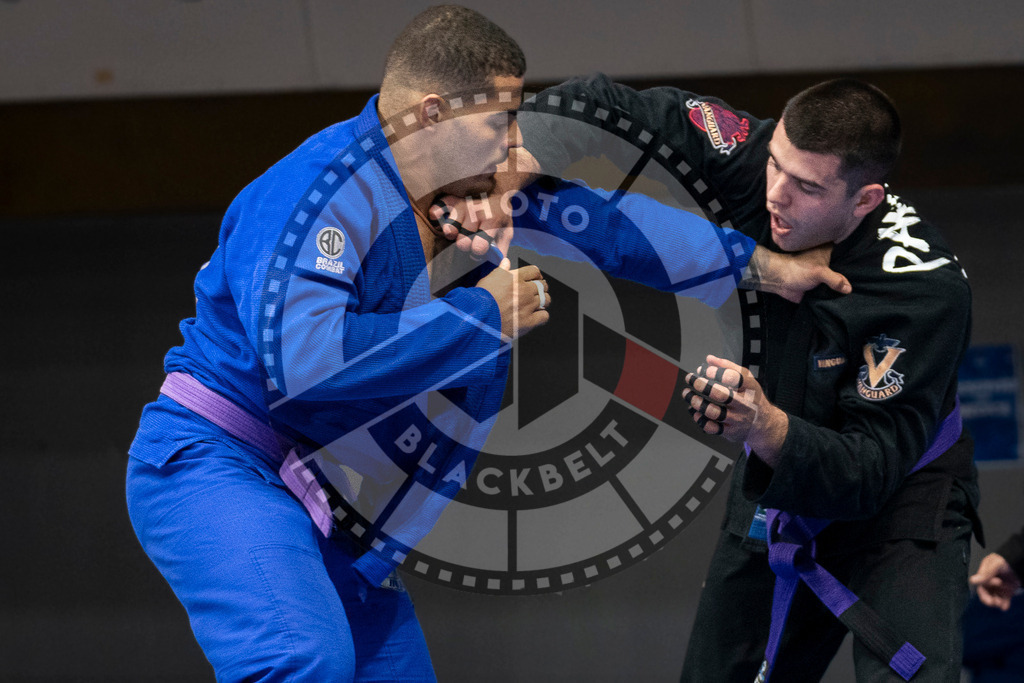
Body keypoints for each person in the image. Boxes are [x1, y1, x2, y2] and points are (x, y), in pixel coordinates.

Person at [125, 7, 850, 681]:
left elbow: (615, 231)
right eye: (500, 121)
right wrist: (481, 316)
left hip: (336, 498)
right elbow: (305, 361)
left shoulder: (469, 190)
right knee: (304, 660)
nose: (515, 141)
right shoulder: (316, 193)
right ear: (432, 113)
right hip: (221, 461)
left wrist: (765, 268)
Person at [515, 75, 980, 681]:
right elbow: (609, 104)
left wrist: (766, 427)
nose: (777, 195)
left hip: (900, 500)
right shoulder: (752, 159)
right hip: (777, 477)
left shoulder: (921, 289)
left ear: (865, 199)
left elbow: (871, 468)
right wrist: (520, 152)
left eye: (807, 186)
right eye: (777, 165)